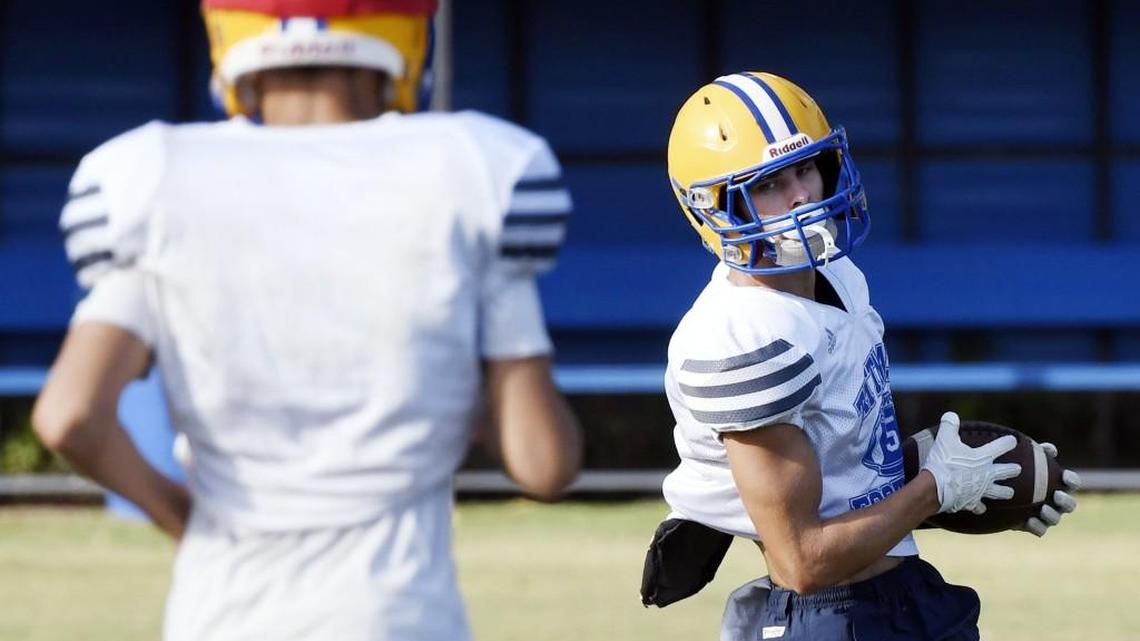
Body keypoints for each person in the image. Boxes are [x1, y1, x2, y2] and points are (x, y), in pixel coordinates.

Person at [32, 1, 582, 640]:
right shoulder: (473, 171)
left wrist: (179, 516)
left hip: (222, 612)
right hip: (398, 613)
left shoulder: (154, 180)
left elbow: (68, 415)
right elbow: (543, 464)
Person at [649, 71, 1080, 640]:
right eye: (770, 182)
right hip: (828, 615)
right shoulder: (742, 337)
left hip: (905, 592)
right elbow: (803, 562)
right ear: (714, 207)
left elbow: (847, 471)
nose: (802, 195)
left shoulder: (839, 276)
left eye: (806, 168)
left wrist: (977, 476)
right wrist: (935, 488)